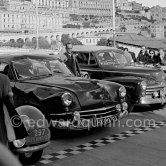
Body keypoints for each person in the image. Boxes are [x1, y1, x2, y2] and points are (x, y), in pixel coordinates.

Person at [0, 73, 28, 146]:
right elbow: (9, 96)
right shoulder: (3, 78)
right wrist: (12, 109)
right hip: (1, 113)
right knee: (3, 137)